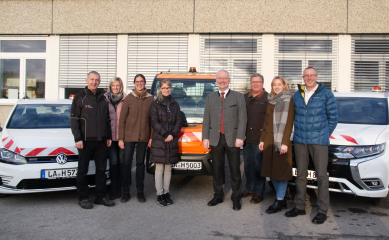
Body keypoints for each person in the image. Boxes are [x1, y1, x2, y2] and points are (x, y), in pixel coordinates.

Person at [285, 67, 338, 224]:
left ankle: (322, 211)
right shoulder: (297, 94)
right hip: (300, 140)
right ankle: (299, 206)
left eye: (312, 75)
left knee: (321, 176)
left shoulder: (326, 94)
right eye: (306, 75)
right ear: (303, 77)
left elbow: (333, 118)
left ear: (316, 77)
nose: (309, 78)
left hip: (319, 142)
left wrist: (323, 135)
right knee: (300, 175)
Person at [203, 69, 247, 211]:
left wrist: (240, 137)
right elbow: (206, 119)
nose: (222, 80)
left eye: (225, 78)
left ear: (229, 80)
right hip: (215, 138)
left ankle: (236, 197)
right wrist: (205, 137)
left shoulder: (238, 97)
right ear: (216, 81)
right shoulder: (210, 98)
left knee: (235, 170)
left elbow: (243, 119)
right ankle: (218, 195)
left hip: (233, 139)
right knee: (217, 169)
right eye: (219, 78)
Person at [70, 71, 114, 209]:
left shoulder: (102, 97)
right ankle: (83, 198)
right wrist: (78, 138)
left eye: (97, 80)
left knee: (101, 170)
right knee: (82, 170)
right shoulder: (80, 97)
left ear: (99, 82)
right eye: (92, 79)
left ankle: (100, 197)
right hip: (85, 141)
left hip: (101, 140)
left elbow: (107, 119)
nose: (94, 82)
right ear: (87, 80)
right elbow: (74, 119)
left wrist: (108, 137)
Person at [259, 76, 294, 214]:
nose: (277, 87)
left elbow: (289, 123)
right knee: (271, 172)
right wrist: (262, 139)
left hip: (281, 142)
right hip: (269, 140)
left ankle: (279, 200)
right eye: (274, 85)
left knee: (281, 173)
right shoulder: (271, 101)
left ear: (284, 85)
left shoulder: (288, 100)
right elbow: (266, 122)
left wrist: (285, 143)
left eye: (279, 84)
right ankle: (282, 198)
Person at [118, 74, 154, 203]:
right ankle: (126, 192)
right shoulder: (128, 99)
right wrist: (121, 138)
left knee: (140, 164)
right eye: (137, 81)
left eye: (142, 81)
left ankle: (140, 191)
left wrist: (151, 137)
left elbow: (152, 120)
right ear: (134, 83)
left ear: (144, 83)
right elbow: (122, 120)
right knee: (127, 164)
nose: (139, 84)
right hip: (129, 137)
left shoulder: (151, 99)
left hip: (144, 137)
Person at [149, 79, 182, 206]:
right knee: (159, 169)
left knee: (168, 168)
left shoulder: (175, 104)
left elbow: (179, 121)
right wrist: (165, 134)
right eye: (164, 88)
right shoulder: (155, 104)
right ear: (160, 89)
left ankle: (166, 193)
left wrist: (172, 134)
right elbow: (154, 122)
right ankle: (159, 194)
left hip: (171, 140)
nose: (166, 90)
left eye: (168, 87)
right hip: (160, 140)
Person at [242, 73, 268, 204]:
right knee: (248, 165)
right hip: (246, 139)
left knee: (259, 167)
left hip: (260, 139)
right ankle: (249, 188)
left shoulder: (268, 98)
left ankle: (259, 192)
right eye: (253, 82)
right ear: (250, 83)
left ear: (262, 83)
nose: (255, 84)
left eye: (258, 81)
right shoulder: (244, 98)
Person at [104, 77, 126, 200]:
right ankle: (113, 188)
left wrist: (123, 137)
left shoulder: (125, 99)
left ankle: (120, 188)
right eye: (113, 85)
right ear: (110, 87)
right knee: (113, 162)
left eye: (117, 85)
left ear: (121, 86)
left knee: (122, 162)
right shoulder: (105, 99)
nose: (115, 88)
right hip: (110, 137)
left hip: (122, 137)